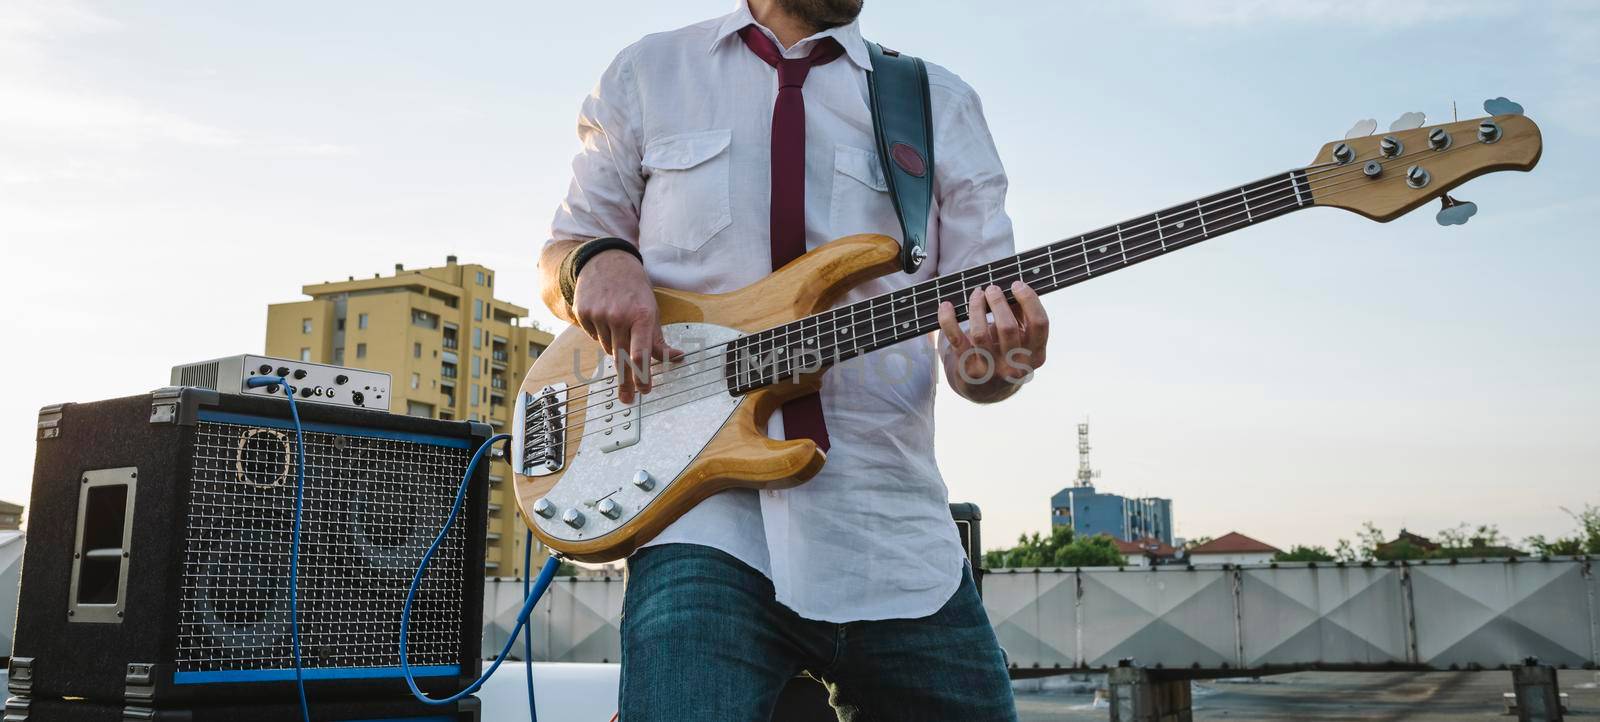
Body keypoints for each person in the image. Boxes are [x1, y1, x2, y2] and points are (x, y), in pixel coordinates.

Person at [538, 1, 1048, 719]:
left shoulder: (938, 103)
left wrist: (999, 364)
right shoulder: (650, 71)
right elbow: (565, 251)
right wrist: (597, 262)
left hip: (888, 524)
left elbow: (978, 355)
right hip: (702, 520)